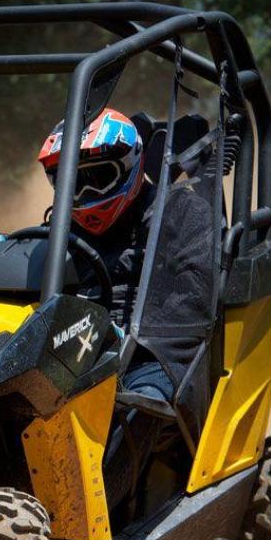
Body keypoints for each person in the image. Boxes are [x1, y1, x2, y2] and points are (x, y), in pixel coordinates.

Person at [37, 108, 173, 511]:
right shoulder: (60, 225)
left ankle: (93, 513)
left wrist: (121, 333)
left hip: (152, 351)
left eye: (98, 178)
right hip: (76, 345)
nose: (85, 197)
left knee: (145, 399)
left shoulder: (173, 215)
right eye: (72, 183)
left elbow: (189, 305)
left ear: (131, 166)